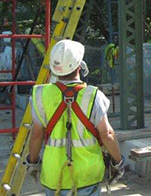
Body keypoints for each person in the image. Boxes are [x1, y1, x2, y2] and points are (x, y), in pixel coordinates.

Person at [26, 39, 124, 196]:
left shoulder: (40, 95)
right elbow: (107, 134)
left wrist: (32, 162)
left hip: (54, 175)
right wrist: (118, 162)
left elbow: (36, 135)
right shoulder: (93, 96)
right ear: (80, 66)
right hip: (87, 175)